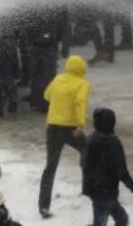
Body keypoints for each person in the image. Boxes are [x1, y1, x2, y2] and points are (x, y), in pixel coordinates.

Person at [38, 54, 90, 218]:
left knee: (50, 167)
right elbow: (80, 103)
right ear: (82, 69)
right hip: (71, 129)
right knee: (88, 151)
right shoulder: (82, 83)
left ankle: (43, 206)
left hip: (53, 129)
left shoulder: (58, 79)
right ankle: (88, 188)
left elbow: (46, 95)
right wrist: (80, 125)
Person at [82, 108, 133, 226]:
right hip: (107, 189)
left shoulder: (91, 139)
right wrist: (131, 184)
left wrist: (90, 182)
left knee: (108, 218)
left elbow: (84, 163)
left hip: (94, 188)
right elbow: (121, 168)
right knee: (121, 219)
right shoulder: (112, 142)